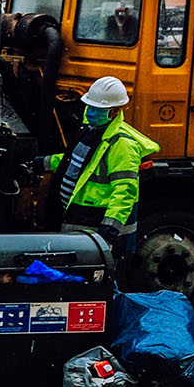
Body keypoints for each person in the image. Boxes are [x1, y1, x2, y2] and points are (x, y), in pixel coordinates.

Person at [44, 75, 158, 257]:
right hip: (81, 221)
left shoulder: (122, 145)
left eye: (97, 109)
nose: (90, 112)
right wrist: (43, 163)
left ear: (114, 112)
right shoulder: (89, 131)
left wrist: (109, 230)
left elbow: (124, 192)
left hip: (97, 227)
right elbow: (75, 161)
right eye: (89, 107)